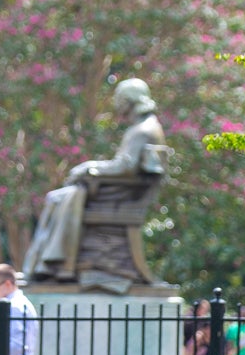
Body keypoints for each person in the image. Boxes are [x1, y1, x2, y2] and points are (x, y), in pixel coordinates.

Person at [23, 77, 167, 285]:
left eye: (119, 99)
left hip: (122, 196)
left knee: (60, 198)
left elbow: (126, 167)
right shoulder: (142, 128)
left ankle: (55, 264)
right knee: (58, 198)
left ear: (129, 100)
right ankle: (50, 264)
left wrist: (89, 168)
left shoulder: (143, 130)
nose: (116, 104)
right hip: (121, 191)